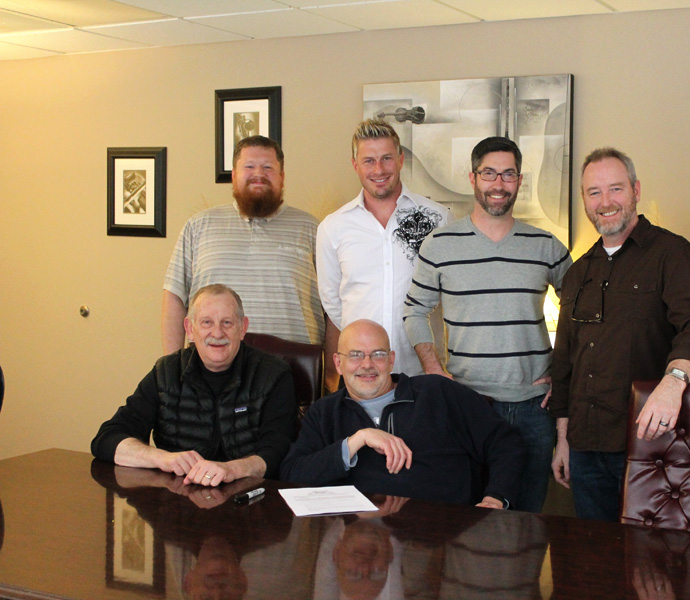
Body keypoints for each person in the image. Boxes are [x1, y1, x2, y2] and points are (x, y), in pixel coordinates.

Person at [403, 136, 572, 513]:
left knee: (526, 522)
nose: (499, 184)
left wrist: (561, 372)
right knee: (466, 522)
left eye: (508, 174)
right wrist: (434, 370)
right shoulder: (439, 245)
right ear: (473, 178)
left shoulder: (546, 246)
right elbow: (414, 310)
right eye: (489, 173)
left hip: (533, 408)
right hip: (468, 405)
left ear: (519, 180)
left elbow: (581, 315)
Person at [550, 147, 690, 521]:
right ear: (585, 200)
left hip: (651, 443)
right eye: (594, 192)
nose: (605, 202)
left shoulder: (671, 253)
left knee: (651, 554)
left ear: (636, 190)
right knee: (595, 551)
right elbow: (565, 362)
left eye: (616, 189)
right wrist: (563, 439)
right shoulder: (577, 273)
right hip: (584, 448)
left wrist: (674, 381)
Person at [279, 319, 525, 509]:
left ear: (391, 360)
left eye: (378, 354)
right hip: (359, 543)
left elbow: (505, 442)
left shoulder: (437, 392)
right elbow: (292, 474)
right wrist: (357, 440)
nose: (367, 364)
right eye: (355, 355)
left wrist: (496, 497)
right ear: (338, 363)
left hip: (440, 537)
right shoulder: (325, 412)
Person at [92, 284, 297, 486]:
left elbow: (278, 451)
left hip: (248, 497)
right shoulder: (166, 373)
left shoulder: (273, 374)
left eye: (227, 323)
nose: (217, 333)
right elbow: (107, 438)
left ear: (242, 328)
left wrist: (232, 470)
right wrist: (162, 458)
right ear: (190, 329)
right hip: (177, 497)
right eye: (207, 322)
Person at [316, 118, 450, 391]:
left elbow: (448, 296)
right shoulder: (332, 228)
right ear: (355, 165)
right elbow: (334, 304)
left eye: (386, 158)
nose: (378, 169)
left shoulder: (438, 219)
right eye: (369, 161)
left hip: (421, 371)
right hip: (361, 375)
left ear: (400, 160)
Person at [161, 135, 323, 354]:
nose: (259, 174)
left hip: (292, 365)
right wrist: (172, 365)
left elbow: (334, 307)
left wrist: (331, 370)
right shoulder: (198, 226)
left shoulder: (313, 229)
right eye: (249, 166)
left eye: (268, 167)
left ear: (282, 177)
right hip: (211, 363)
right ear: (234, 175)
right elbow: (174, 297)